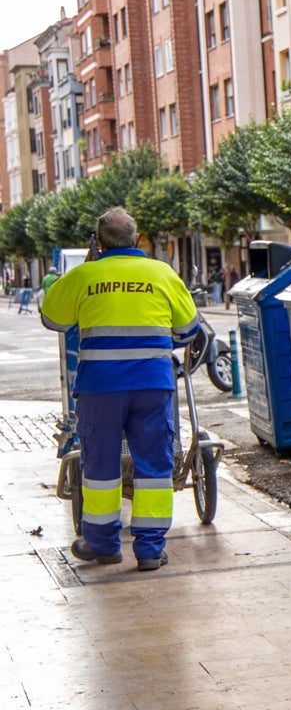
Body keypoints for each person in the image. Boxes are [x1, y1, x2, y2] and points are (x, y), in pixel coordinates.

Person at [41, 207, 199, 571]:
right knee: (154, 466)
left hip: (101, 387)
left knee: (101, 466)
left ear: (97, 243)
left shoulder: (85, 275)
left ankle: (103, 544)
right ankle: (149, 550)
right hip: (152, 385)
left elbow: (53, 318)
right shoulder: (162, 274)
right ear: (137, 238)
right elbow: (188, 329)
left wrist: (88, 265)